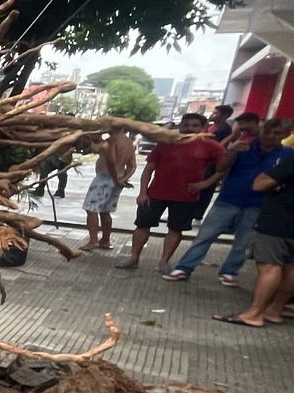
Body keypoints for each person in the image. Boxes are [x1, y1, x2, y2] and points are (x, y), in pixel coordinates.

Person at [166, 119, 293, 285]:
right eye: (267, 132)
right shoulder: (245, 147)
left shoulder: (288, 156)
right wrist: (232, 150)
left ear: (285, 135)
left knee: (243, 242)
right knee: (205, 236)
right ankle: (184, 267)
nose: (270, 136)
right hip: (228, 199)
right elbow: (220, 168)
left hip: (258, 204)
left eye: (277, 133)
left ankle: (229, 271)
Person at [117, 111, 224, 271]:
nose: (189, 129)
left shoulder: (210, 146)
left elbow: (224, 167)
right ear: (180, 126)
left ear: (203, 128)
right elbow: (149, 169)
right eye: (186, 125)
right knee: (142, 225)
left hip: (186, 196)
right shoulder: (166, 143)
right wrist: (143, 192)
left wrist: (205, 184)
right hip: (155, 194)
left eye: (195, 126)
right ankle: (133, 258)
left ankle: (164, 262)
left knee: (176, 229)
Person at [215, 148, 294, 326]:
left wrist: (275, 183)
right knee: (291, 268)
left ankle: (254, 313)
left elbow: (260, 183)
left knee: (269, 267)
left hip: (279, 220)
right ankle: (275, 309)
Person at [79, 130, 136, 250]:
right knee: (105, 211)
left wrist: (115, 178)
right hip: (118, 178)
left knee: (91, 209)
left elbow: (111, 161)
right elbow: (132, 166)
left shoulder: (111, 141)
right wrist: (123, 179)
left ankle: (93, 240)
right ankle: (105, 240)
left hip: (105, 177)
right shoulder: (129, 143)